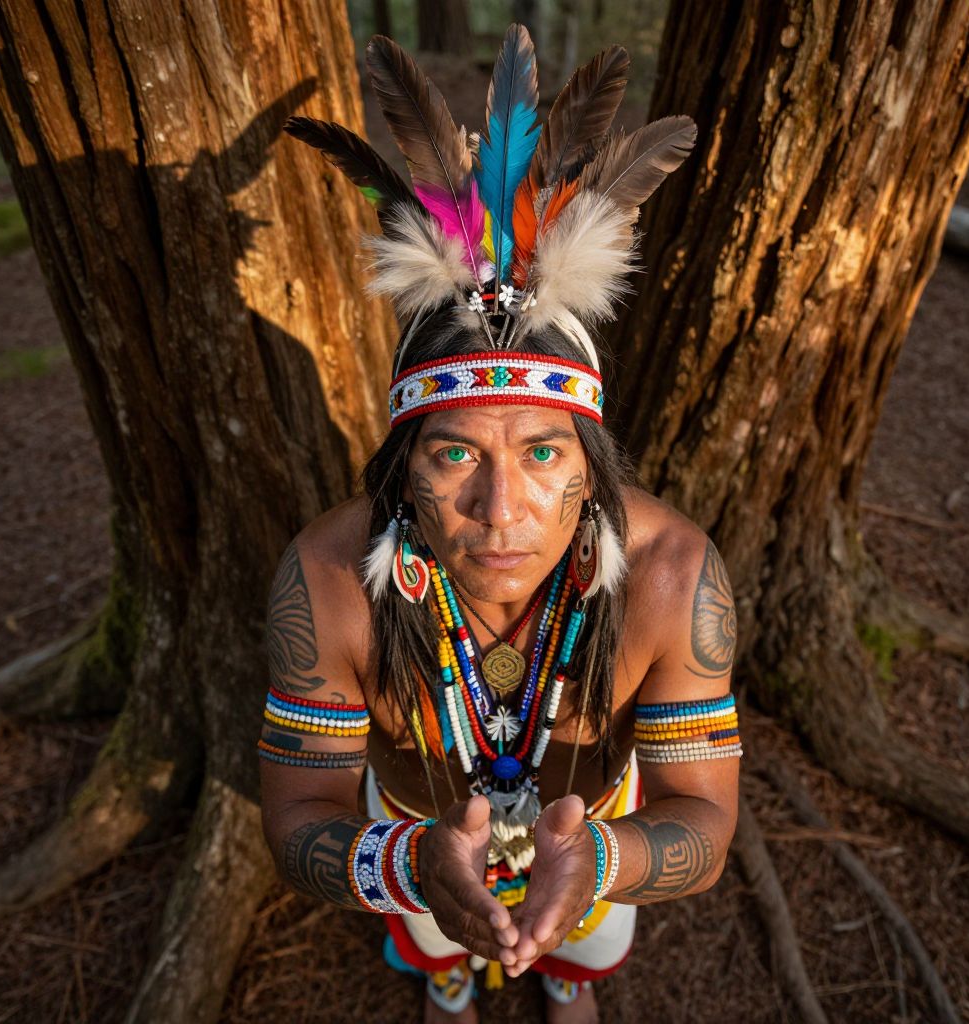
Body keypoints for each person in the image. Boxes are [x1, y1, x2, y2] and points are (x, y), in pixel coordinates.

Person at [259, 24, 741, 1024]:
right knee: (437, 936)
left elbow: (702, 816)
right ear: (404, 462)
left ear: (590, 460)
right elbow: (300, 813)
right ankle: (447, 975)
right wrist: (411, 865)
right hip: (413, 836)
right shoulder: (328, 582)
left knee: (586, 942)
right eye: (455, 455)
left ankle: (566, 977)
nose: (501, 509)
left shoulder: (672, 575)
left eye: (543, 454)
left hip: (600, 831)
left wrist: (598, 858)